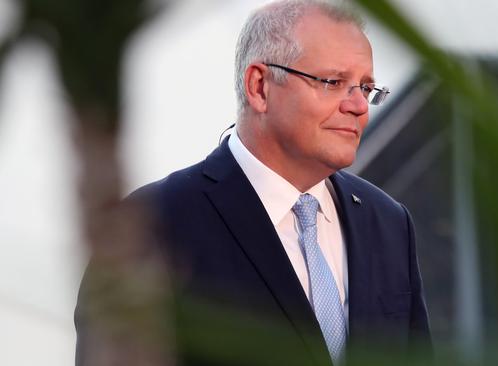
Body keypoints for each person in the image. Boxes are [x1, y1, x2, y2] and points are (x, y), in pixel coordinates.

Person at [76, 1, 432, 365]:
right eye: (334, 82)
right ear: (259, 87)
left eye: (367, 87)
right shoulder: (151, 224)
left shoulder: (388, 222)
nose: (359, 106)